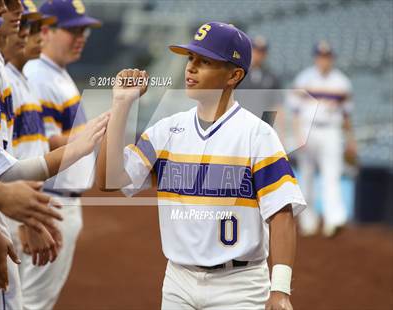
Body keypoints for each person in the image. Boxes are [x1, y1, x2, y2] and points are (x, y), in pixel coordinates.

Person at [97, 22, 306, 310]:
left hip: (240, 285)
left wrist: (280, 289)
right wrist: (121, 104)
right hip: (177, 281)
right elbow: (110, 180)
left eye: (204, 61)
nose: (191, 68)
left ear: (234, 75)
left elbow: (282, 214)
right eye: (190, 59)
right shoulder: (166, 130)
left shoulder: (257, 135)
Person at [0, 1, 107, 307]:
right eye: (1, 4)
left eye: (34, 25)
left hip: (4, 205)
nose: (24, 27)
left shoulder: (4, 71)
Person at [22, 0, 101, 308]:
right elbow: (41, 143)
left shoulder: (54, 73)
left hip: (57, 199)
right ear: (46, 31)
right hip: (50, 200)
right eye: (72, 30)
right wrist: (100, 125)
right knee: (31, 300)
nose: (80, 37)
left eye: (84, 31)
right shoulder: (39, 75)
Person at [288, 40, 357, 237]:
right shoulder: (304, 78)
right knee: (307, 176)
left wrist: (351, 139)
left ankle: (333, 220)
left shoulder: (342, 82)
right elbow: (294, 111)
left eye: (326, 57)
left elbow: (346, 115)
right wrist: (297, 135)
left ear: (332, 58)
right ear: (315, 58)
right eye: (320, 56)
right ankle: (308, 221)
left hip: (332, 131)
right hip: (307, 130)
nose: (323, 60)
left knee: (332, 175)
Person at [237, 35, 281, 126]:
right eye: (256, 50)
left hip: (263, 124)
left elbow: (277, 105)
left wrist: (280, 132)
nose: (259, 54)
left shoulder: (272, 76)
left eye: (262, 51)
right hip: (241, 122)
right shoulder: (239, 73)